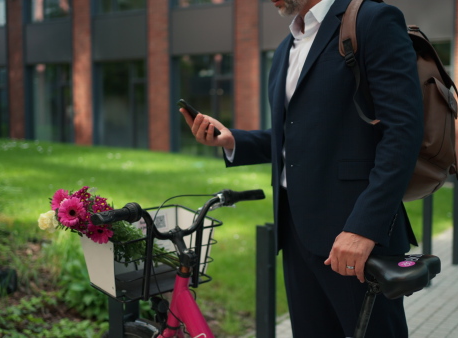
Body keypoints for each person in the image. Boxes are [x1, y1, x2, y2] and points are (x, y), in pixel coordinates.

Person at [180, 0, 423, 336]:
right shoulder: (285, 49)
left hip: (353, 235)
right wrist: (232, 140)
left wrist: (364, 228)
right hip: (296, 234)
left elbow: (403, 132)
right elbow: (293, 137)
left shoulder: (372, 20)